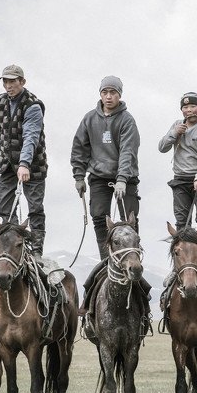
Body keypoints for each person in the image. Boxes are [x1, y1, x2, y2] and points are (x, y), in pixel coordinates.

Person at [70, 75, 141, 259]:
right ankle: (105, 262)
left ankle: (132, 262)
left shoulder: (127, 120)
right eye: (105, 92)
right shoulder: (90, 118)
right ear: (100, 94)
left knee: (129, 222)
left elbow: (128, 151)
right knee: (100, 218)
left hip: (125, 178)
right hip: (99, 176)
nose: (108, 96)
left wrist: (122, 179)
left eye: (113, 92)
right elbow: (79, 147)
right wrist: (79, 176)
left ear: (119, 95)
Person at [0, 64, 49, 257]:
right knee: (6, 208)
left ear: (22, 81)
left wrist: (24, 164)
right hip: (6, 164)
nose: (8, 85)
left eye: (12, 81)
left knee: (35, 208)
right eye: (5, 81)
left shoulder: (33, 106)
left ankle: (36, 252)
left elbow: (31, 136)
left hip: (34, 166)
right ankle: (12, 249)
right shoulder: (0, 102)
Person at [158, 91, 197, 252]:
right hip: (180, 179)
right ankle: (181, 260)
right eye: (186, 107)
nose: (189, 110)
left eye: (193, 106)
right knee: (182, 223)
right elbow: (162, 147)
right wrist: (174, 133)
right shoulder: (177, 125)